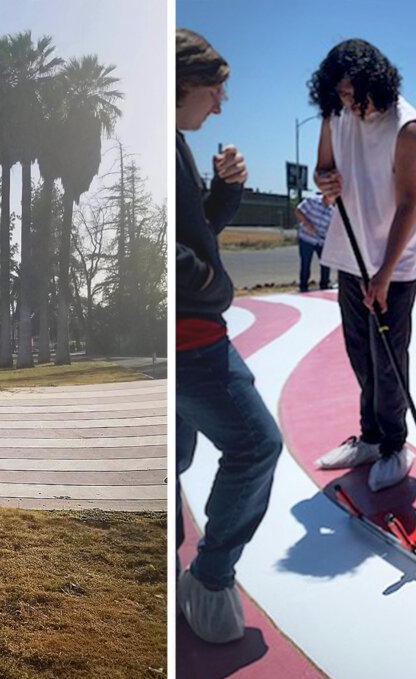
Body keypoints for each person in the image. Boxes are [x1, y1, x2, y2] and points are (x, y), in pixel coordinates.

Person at [175, 27, 282, 644]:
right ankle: (209, 579)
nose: (219, 105)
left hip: (185, 332)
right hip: (191, 338)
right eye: (215, 92)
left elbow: (196, 234)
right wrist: (214, 283)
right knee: (255, 445)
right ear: (185, 83)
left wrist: (226, 192)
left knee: (178, 456)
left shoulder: (177, 144)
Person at [310, 39, 416, 492]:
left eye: (351, 93)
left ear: (374, 82)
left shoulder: (409, 128)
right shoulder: (337, 115)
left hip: (395, 264)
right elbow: (323, 171)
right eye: (337, 93)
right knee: (360, 352)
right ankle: (371, 436)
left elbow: (409, 207)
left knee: (387, 360)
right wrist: (325, 179)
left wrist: (383, 275)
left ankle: (396, 445)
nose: (346, 102)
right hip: (350, 252)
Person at [295, 192, 334, 291]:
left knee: (326, 263)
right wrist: (307, 223)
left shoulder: (332, 211)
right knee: (306, 264)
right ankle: (303, 287)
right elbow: (298, 211)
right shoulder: (312, 201)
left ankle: (324, 286)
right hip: (306, 239)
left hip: (321, 241)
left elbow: (330, 228)